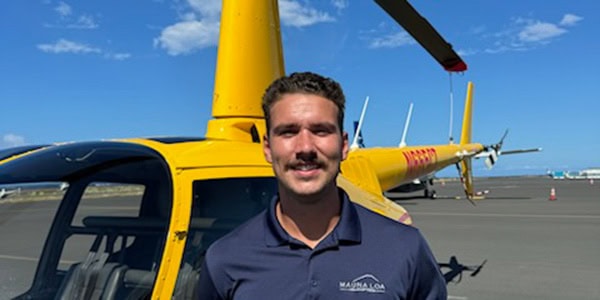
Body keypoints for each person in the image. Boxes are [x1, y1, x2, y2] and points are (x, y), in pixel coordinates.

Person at [196, 72, 447, 299]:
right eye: (288, 132)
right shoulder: (225, 259)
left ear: (344, 145)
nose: (305, 147)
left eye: (321, 131)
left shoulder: (405, 249)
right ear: (267, 148)